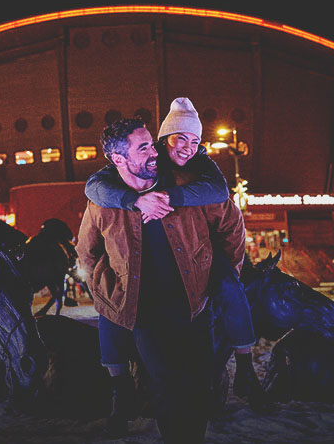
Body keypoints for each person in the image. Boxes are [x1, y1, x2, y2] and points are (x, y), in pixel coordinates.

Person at [85, 98, 260, 411]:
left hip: (197, 273)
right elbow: (94, 191)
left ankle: (245, 366)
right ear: (163, 139)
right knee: (108, 309)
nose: (188, 148)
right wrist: (134, 201)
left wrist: (223, 267)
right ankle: (119, 387)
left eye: (195, 140)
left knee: (232, 289)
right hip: (143, 291)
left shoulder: (197, 173)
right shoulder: (111, 187)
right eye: (180, 138)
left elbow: (224, 204)